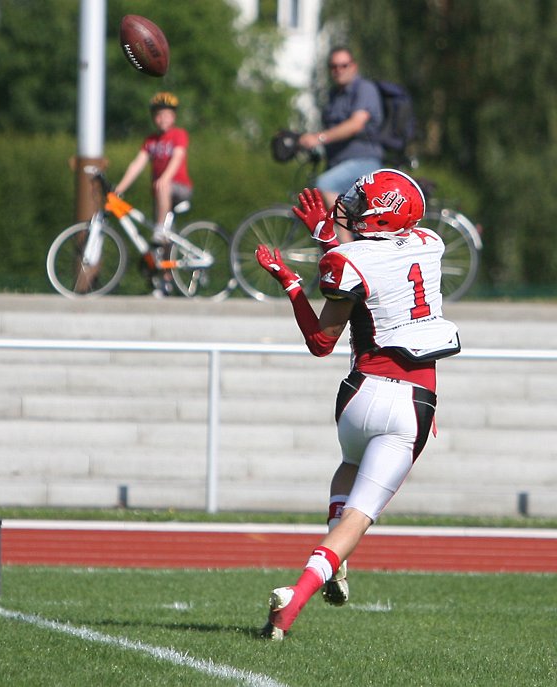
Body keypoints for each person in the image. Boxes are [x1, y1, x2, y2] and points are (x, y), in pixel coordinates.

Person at [254, 169, 460, 640]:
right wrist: (328, 240)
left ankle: (337, 564)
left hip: (359, 395)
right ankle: (294, 599)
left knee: (348, 466)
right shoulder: (430, 244)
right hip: (412, 402)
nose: (351, 209)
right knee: (359, 516)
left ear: (382, 216)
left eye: (363, 204)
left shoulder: (348, 258)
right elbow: (374, 264)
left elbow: (321, 341)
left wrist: (290, 281)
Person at [114, 91, 193, 296]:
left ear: (173, 117)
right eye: (158, 115)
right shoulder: (151, 140)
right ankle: (165, 282)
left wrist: (165, 178)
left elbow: (177, 157)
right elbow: (137, 165)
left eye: (166, 114)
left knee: (160, 228)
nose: (162, 119)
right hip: (161, 195)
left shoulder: (178, 134)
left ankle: (160, 229)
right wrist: (119, 189)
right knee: (162, 244)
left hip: (178, 188)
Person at [297, 47, 384, 213]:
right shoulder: (334, 95)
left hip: (363, 161)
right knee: (312, 202)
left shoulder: (364, 89)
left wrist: (318, 138)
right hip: (337, 163)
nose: (338, 70)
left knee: (325, 185)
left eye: (344, 65)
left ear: (354, 66)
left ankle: (342, 231)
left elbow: (355, 124)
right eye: (334, 66)